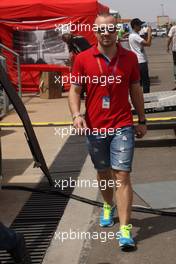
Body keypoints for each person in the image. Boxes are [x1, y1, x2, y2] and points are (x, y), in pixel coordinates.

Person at [68, 13, 147, 250]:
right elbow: (74, 90)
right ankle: (106, 204)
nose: (106, 33)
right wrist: (76, 115)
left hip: (122, 124)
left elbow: (136, 90)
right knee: (103, 173)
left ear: (118, 31)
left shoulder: (130, 59)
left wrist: (141, 119)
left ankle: (125, 230)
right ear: (95, 32)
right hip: (94, 126)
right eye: (101, 29)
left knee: (122, 175)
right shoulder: (82, 58)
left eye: (110, 29)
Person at [129, 18, 152, 93]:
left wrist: (146, 34)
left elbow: (143, 42)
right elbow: (148, 44)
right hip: (141, 61)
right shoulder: (134, 36)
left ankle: (141, 97)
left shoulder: (134, 35)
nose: (141, 27)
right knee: (145, 81)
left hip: (137, 61)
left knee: (140, 81)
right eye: (139, 25)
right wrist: (149, 33)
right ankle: (146, 97)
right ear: (135, 26)